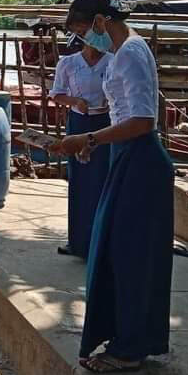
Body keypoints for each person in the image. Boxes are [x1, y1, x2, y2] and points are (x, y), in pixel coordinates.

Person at [49, 0, 174, 374]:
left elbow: (143, 120)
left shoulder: (132, 52)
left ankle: (130, 347)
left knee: (131, 257)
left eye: (86, 30)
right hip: (125, 156)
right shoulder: (123, 53)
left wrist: (88, 138)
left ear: (102, 21)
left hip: (141, 160)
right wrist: (95, 146)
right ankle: (128, 336)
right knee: (116, 252)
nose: (86, 40)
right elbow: (123, 114)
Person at [49, 39, 113, 259]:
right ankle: (77, 241)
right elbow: (56, 93)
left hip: (106, 124)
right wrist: (75, 101)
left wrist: (110, 103)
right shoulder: (68, 63)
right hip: (79, 123)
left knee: (103, 179)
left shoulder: (112, 62)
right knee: (79, 181)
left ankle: (101, 241)